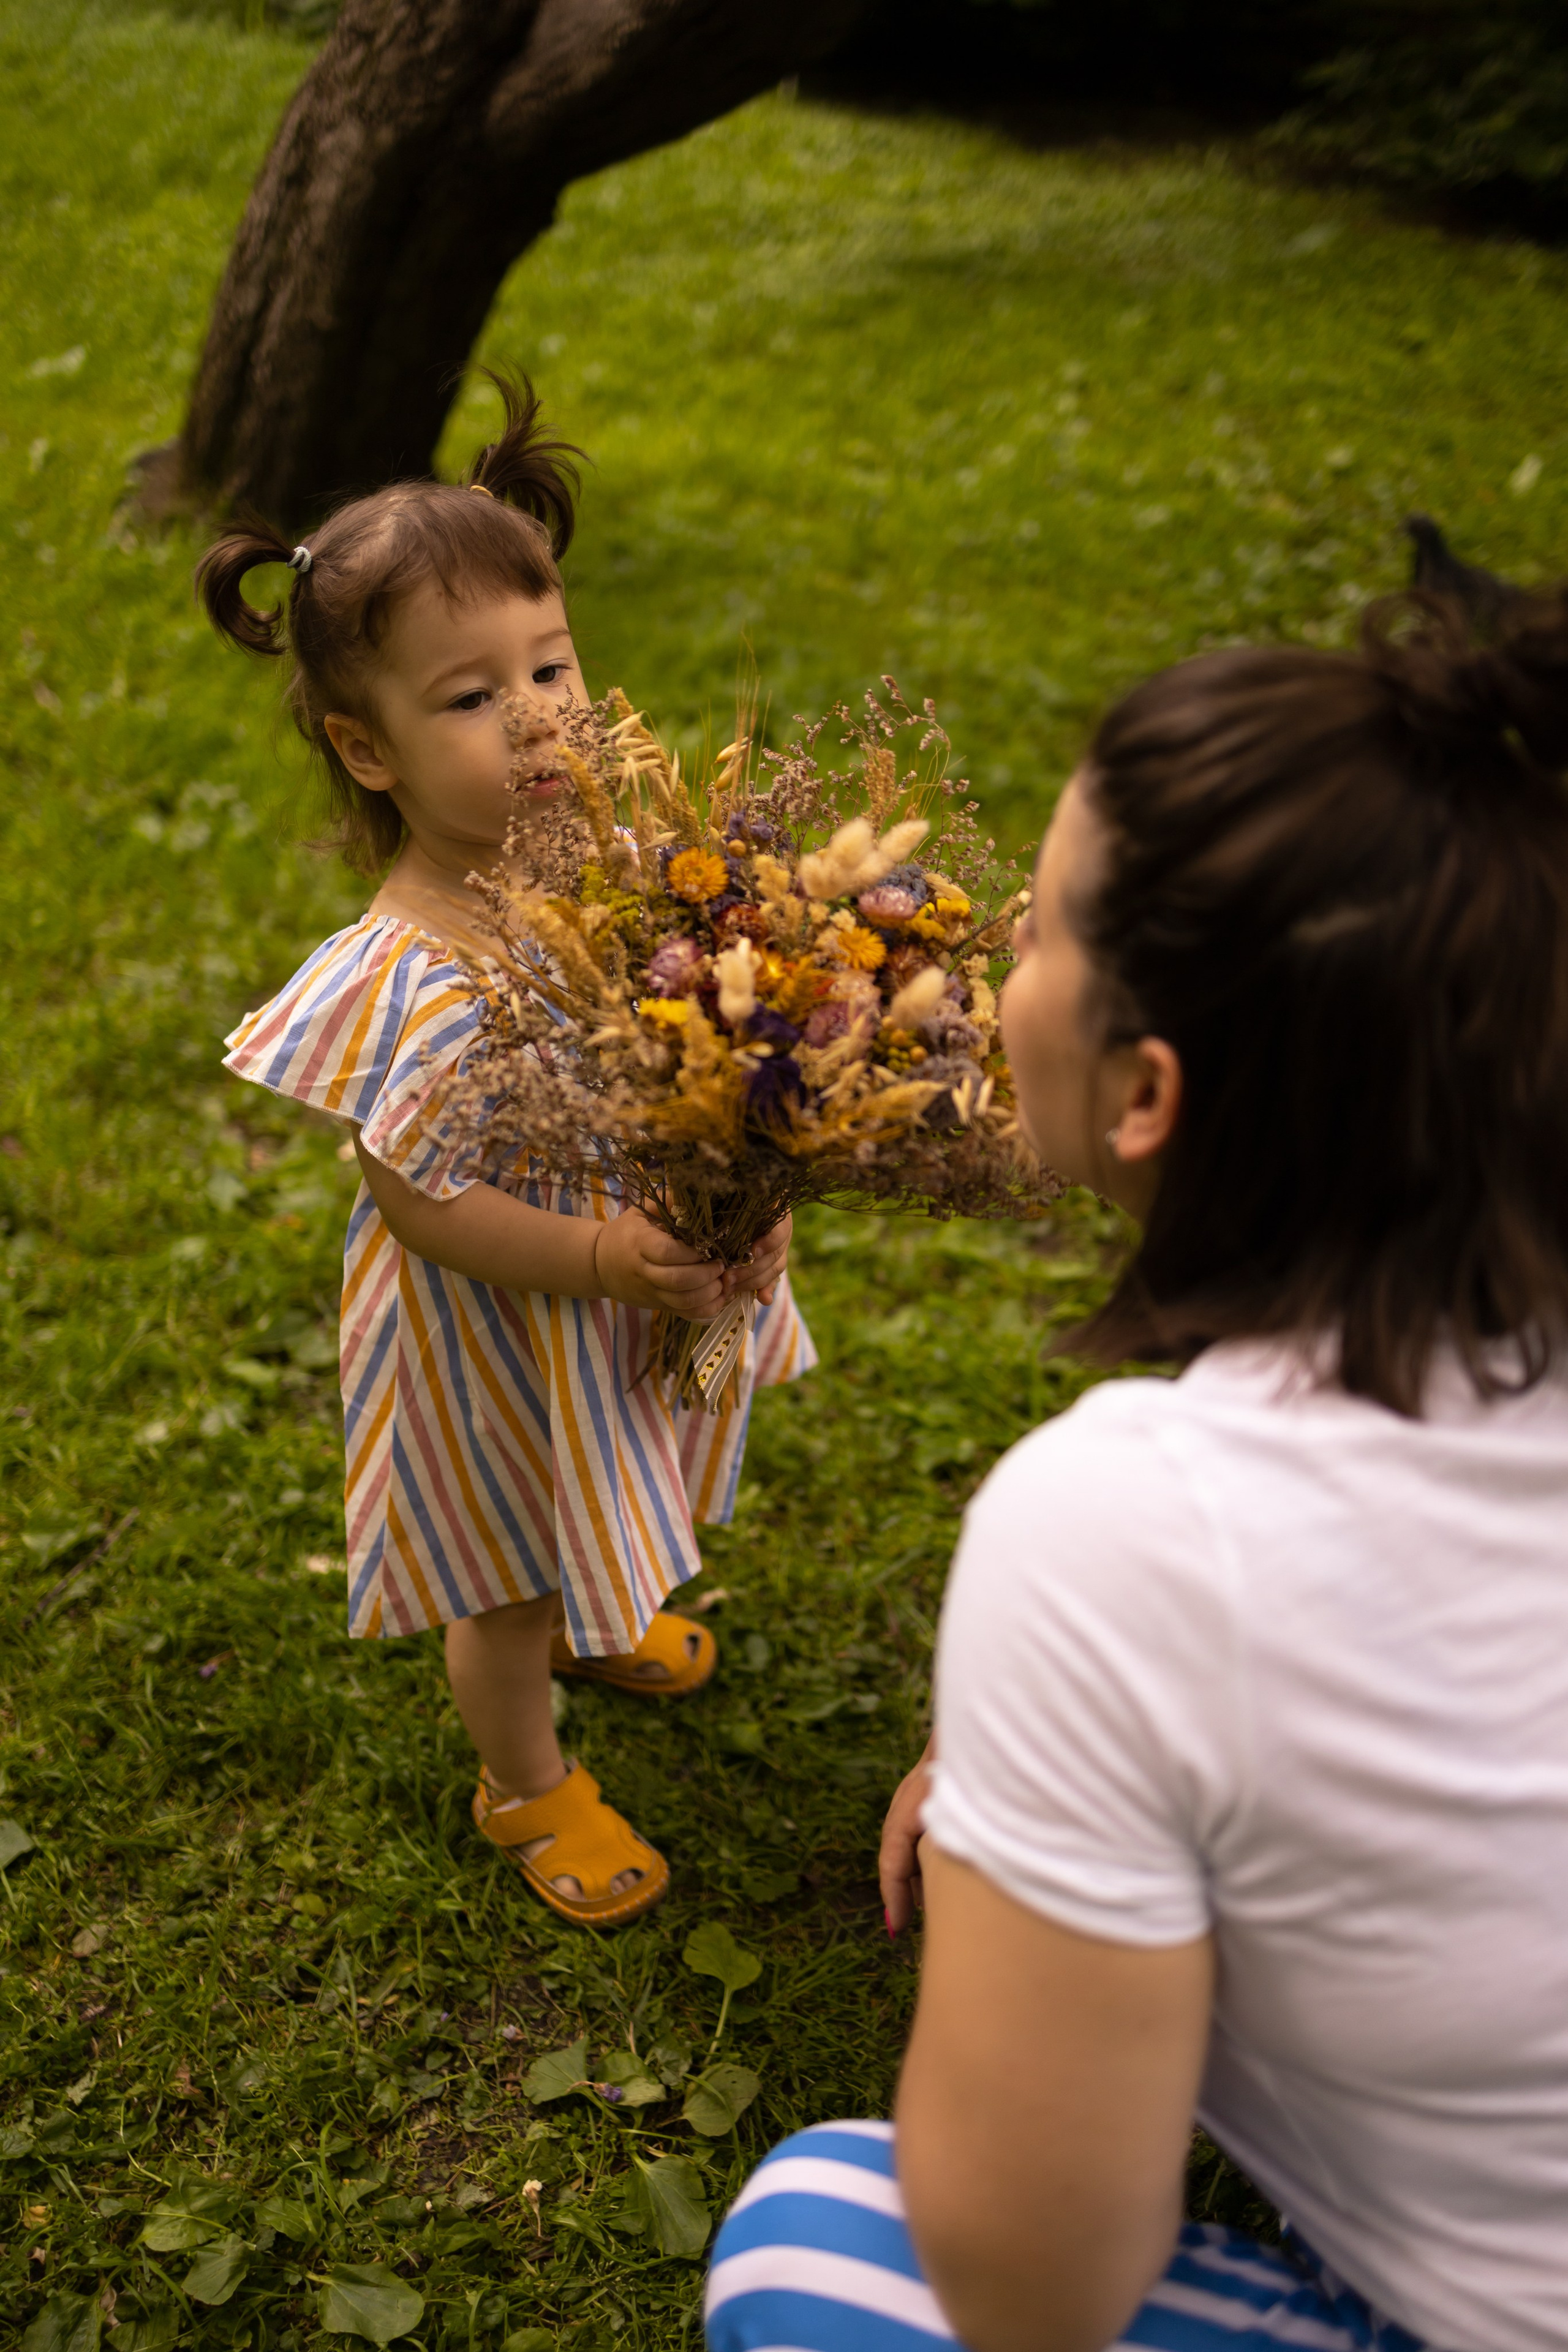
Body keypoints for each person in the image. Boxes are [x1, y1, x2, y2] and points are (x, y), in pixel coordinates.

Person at [706, 588, 1568, 2351]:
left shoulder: (1125, 1537)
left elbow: (1038, 2289)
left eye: (1039, 930)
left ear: (1148, 1093)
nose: (1000, 952)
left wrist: (1047, 1855)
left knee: (805, 2245)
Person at [205, 375, 813, 1931]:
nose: (539, 715)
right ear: (369, 749)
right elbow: (416, 1202)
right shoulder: (415, 970)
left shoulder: (613, 877)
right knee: (506, 1565)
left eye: (551, 665)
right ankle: (521, 1775)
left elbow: (694, 1058)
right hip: (492, 1332)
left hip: (621, 1285)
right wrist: (604, 1257)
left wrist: (752, 1175)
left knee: (610, 1480)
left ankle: (594, 1611)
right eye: (471, 698)